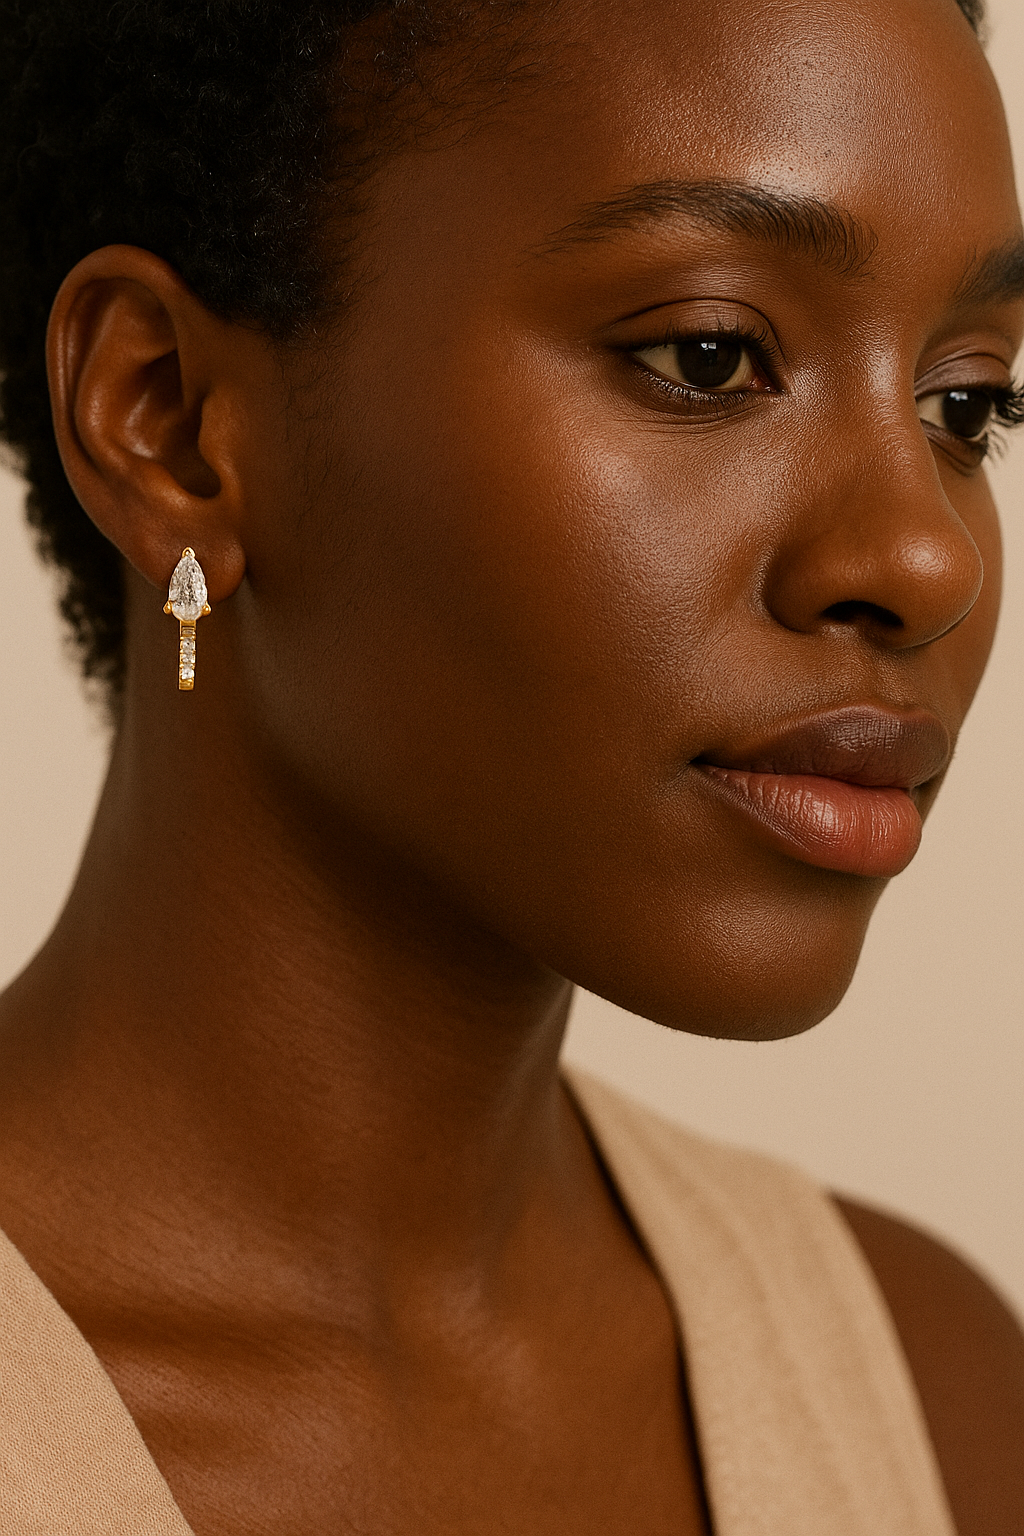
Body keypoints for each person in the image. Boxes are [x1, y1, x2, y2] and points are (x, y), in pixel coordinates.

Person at [0, 0, 1022, 1531]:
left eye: (968, 404)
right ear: (170, 422)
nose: (925, 554)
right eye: (711, 352)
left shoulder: (938, 1400)